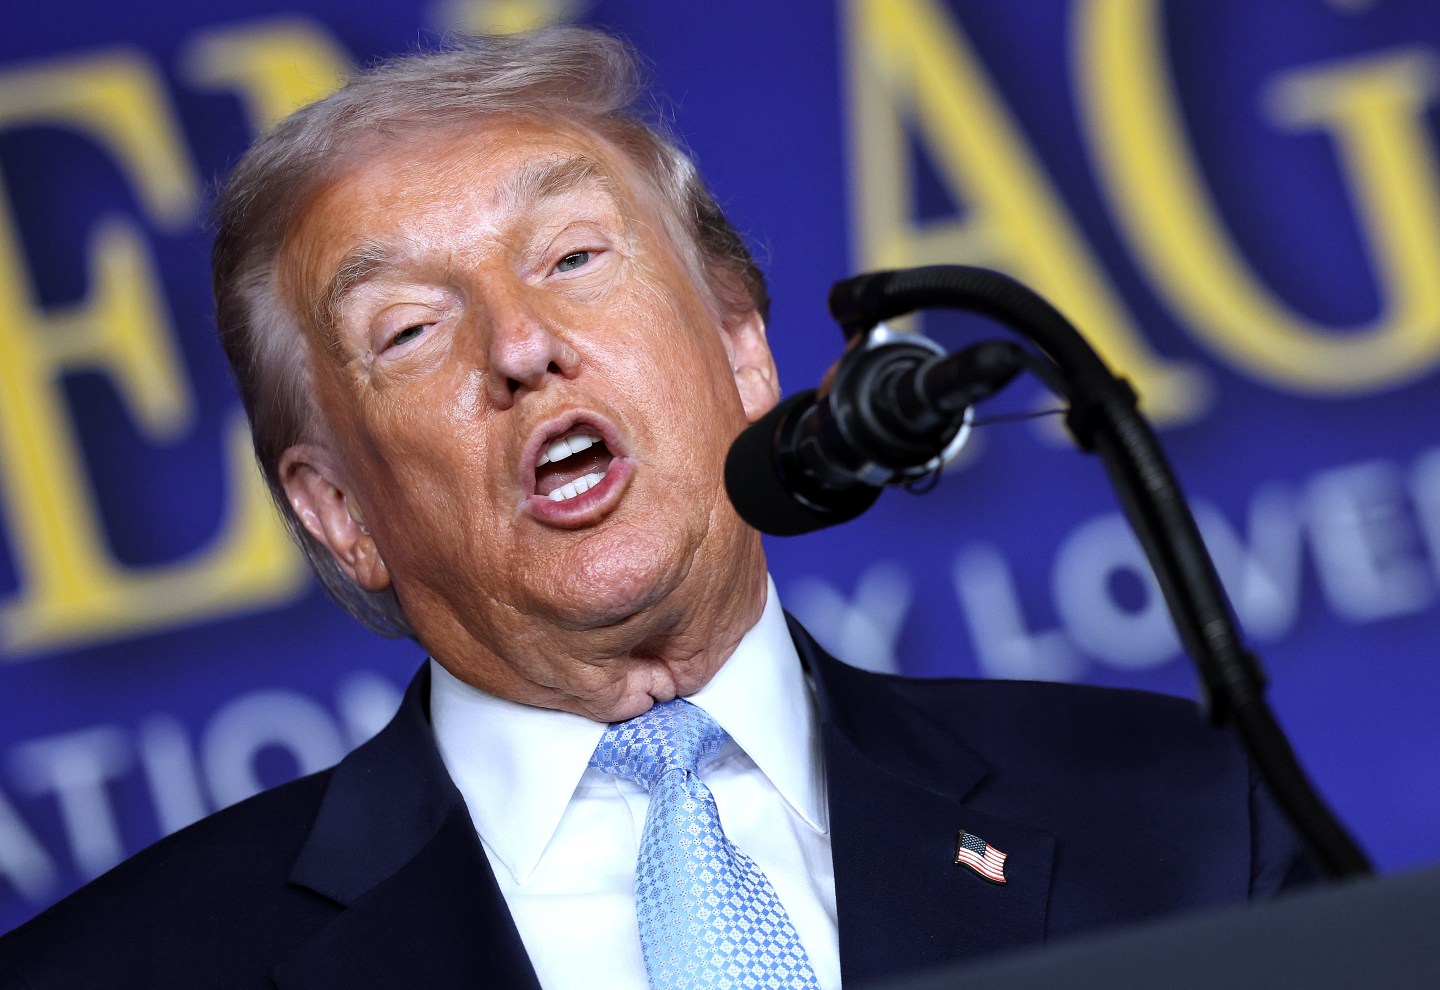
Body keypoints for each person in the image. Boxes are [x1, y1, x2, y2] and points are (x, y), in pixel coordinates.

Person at [0, 27, 1316, 989]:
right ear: (340, 509)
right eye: (407, 327)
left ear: (744, 348)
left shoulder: (1188, 813)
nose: (519, 343)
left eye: (573, 256)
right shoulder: (123, 972)